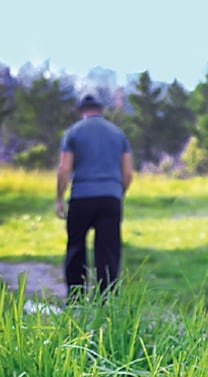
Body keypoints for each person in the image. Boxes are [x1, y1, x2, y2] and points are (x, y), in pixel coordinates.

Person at [55, 93, 133, 301]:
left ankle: (76, 299)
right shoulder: (118, 134)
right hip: (110, 197)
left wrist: (59, 198)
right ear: (101, 110)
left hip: (81, 197)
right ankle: (107, 301)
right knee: (108, 252)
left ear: (81, 111)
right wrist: (118, 193)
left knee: (76, 248)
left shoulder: (73, 133)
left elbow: (64, 169)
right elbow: (128, 173)